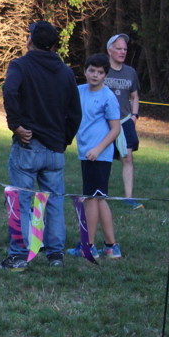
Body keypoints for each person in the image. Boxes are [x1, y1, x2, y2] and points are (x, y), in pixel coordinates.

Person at [0, 21, 81, 271]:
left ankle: (19, 256)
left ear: (30, 40)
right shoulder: (66, 72)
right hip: (55, 149)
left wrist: (15, 124)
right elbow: (75, 112)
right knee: (54, 203)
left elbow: (9, 91)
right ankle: (55, 255)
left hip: (28, 146)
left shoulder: (20, 65)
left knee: (22, 201)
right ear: (54, 45)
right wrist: (64, 140)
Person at [67, 54, 122, 259]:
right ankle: (111, 246)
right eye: (92, 70)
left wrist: (98, 149)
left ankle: (88, 246)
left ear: (105, 75)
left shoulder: (108, 97)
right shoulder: (79, 91)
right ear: (85, 71)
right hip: (86, 153)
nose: (95, 75)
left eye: (100, 72)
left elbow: (115, 129)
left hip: (99, 156)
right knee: (98, 199)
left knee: (91, 199)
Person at [103, 33, 143, 209]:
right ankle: (99, 194)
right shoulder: (102, 69)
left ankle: (128, 197)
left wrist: (134, 116)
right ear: (109, 50)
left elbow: (135, 96)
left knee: (127, 158)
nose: (123, 52)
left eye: (125, 49)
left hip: (125, 121)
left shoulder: (130, 72)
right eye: (119, 48)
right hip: (104, 121)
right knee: (103, 158)